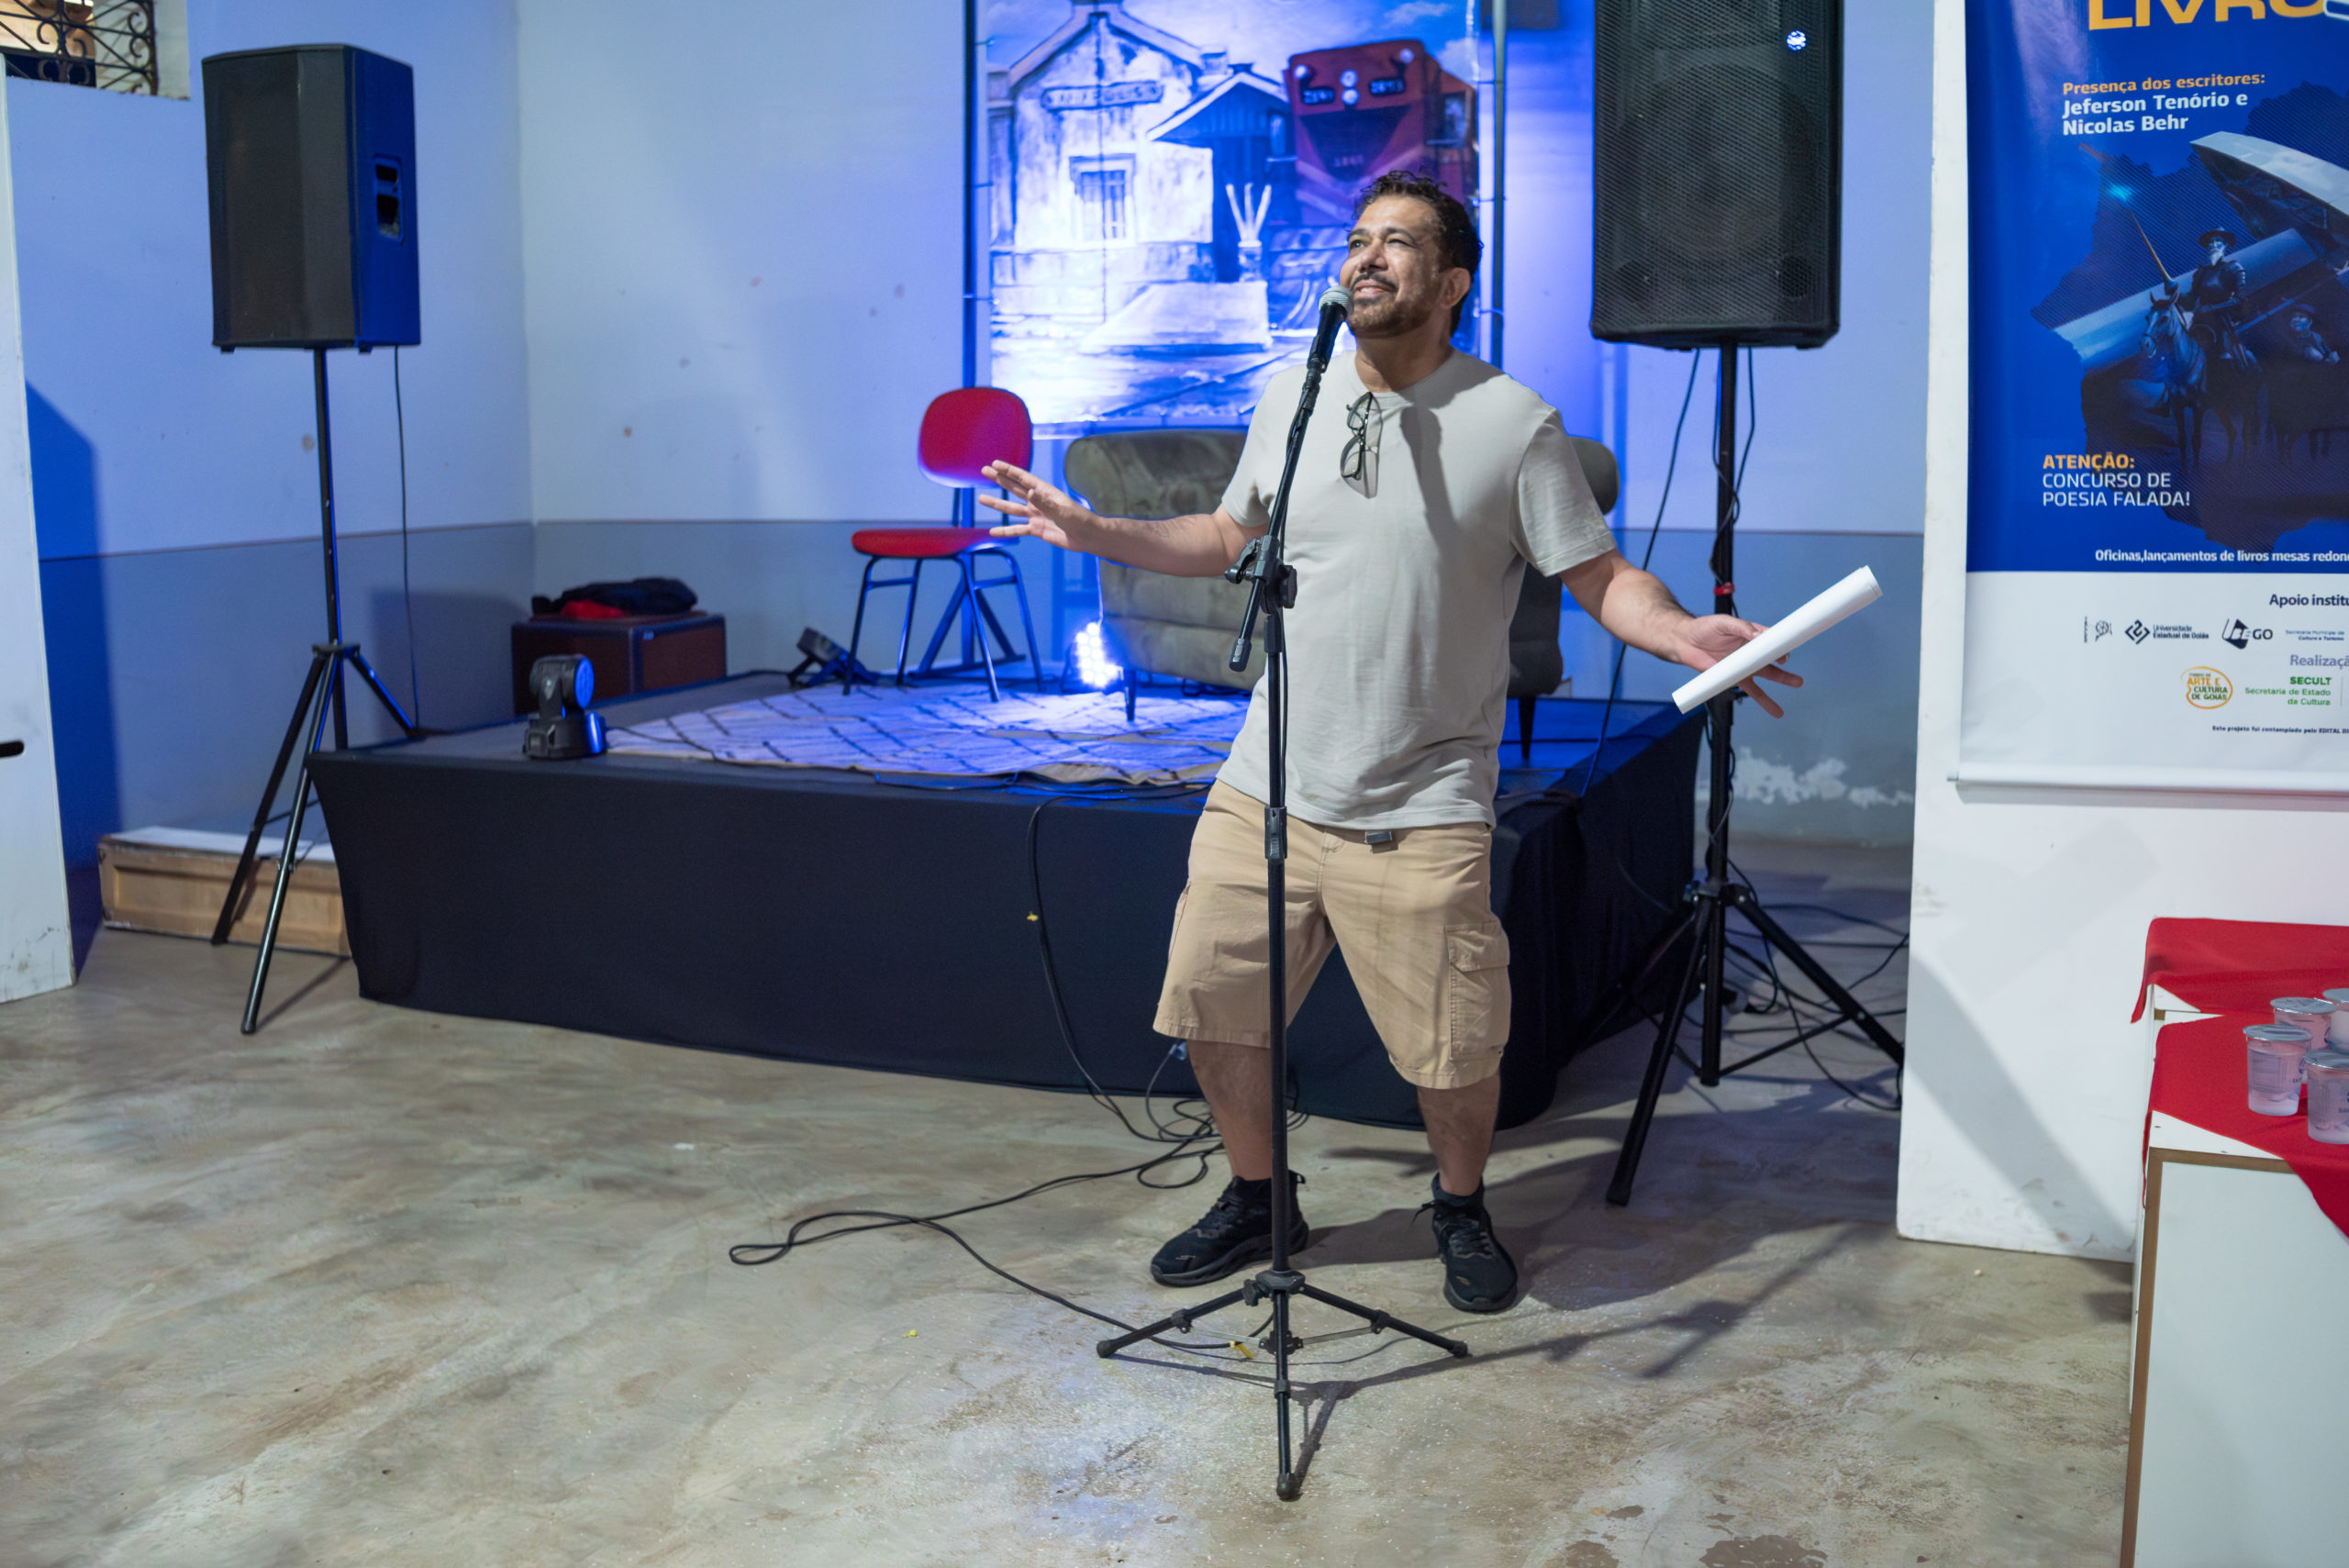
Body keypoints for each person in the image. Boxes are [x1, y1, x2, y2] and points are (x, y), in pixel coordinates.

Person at [981, 171, 1799, 1314]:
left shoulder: (1512, 422)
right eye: (1358, 237)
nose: (1366, 256)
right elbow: (1223, 533)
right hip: (1266, 783)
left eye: (1398, 241)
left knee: (1452, 1047)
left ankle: (1458, 1203)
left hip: (1421, 797)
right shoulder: (1293, 395)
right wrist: (1091, 529)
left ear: (1451, 282)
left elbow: (1600, 574)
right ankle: (1259, 1195)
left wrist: (1677, 633)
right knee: (1214, 1008)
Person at [2185, 228, 2254, 372]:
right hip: (2201, 320)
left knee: (2225, 348)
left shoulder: (2234, 267)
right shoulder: (2201, 273)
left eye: (2217, 241)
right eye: (2211, 242)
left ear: (2225, 245)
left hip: (2223, 319)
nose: (2213, 244)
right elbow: (2191, 298)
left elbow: (2240, 298)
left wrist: (2211, 308)